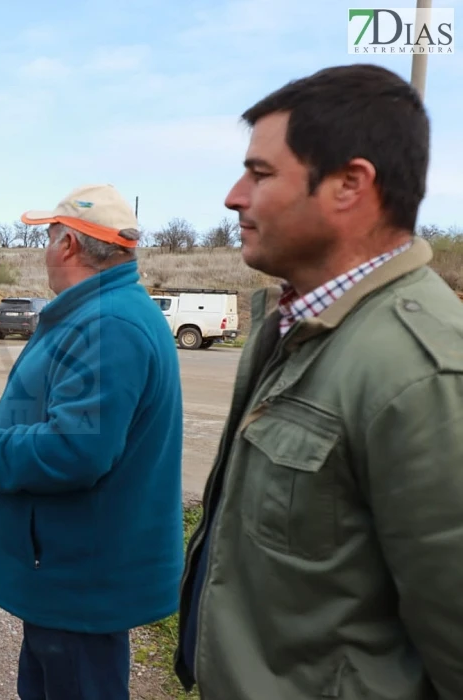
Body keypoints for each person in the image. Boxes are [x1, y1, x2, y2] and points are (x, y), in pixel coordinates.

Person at [174, 64, 463, 699]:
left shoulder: (425, 373)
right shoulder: (290, 325)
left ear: (349, 185)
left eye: (261, 173)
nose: (234, 196)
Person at [0, 184, 184, 699]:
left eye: (48, 237)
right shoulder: (100, 312)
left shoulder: (108, 323)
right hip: (70, 575)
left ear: (68, 245)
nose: (44, 249)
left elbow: (76, 450)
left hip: (80, 580)